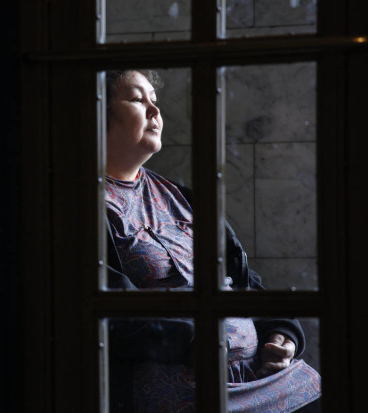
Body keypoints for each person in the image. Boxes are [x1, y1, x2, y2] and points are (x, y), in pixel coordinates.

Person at [104, 70, 321, 412]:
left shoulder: (185, 199)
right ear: (98, 109)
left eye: (155, 101)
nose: (154, 111)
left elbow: (246, 282)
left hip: (255, 376)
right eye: (136, 99)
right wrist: (201, 339)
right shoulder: (83, 208)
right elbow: (114, 318)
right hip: (182, 390)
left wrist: (281, 334)